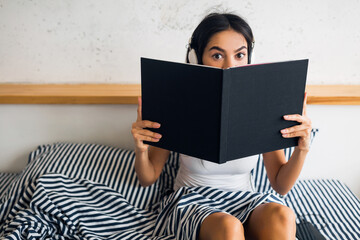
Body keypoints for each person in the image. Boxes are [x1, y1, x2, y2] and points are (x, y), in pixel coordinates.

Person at [131, 12, 312, 240]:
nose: (229, 66)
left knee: (282, 216)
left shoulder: (260, 104)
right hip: (192, 200)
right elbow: (147, 178)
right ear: (196, 58)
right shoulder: (176, 99)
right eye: (217, 55)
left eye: (239, 55)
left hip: (245, 199)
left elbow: (280, 186)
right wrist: (140, 148)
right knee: (229, 228)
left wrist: (302, 148)